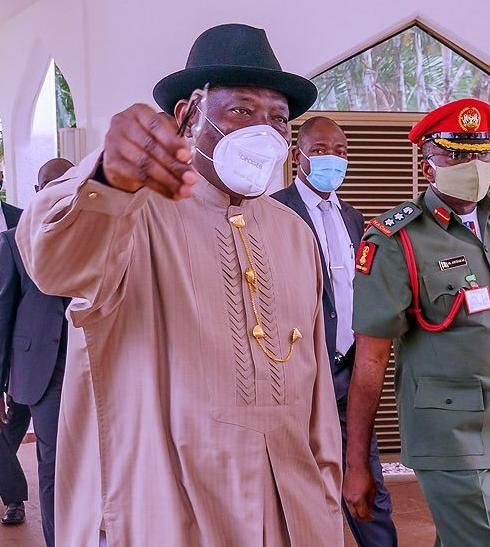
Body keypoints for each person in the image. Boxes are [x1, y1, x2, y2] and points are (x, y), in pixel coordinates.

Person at [17, 24, 344, 546]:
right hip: (165, 512)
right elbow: (52, 259)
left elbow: (317, 399)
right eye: (241, 110)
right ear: (189, 116)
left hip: (287, 512)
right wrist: (107, 179)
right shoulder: (133, 211)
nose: (263, 129)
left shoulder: (294, 234)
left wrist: (325, 507)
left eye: (278, 118)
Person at [343, 98, 490, 547]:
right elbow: (370, 361)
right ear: (428, 163)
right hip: (447, 431)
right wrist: (358, 463)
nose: (472, 164)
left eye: (482, 152)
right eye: (456, 153)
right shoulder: (397, 239)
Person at [271, 116, 397, 546]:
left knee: (368, 490)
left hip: (349, 375)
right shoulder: (273, 211)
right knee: (300, 494)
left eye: (341, 151)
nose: (333, 159)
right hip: (299, 380)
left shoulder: (355, 219)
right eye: (322, 150)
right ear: (297, 156)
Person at [0, 158, 74, 544]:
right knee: (53, 463)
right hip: (42, 368)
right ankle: (56, 539)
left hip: (90, 363)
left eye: (69, 180)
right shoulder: (15, 240)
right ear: (37, 191)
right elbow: (3, 316)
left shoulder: (98, 231)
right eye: (52, 183)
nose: (61, 188)